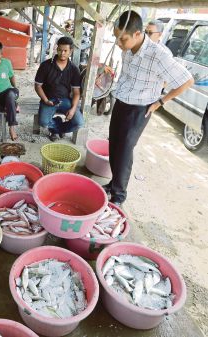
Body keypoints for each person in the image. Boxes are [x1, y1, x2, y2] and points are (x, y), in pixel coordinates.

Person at [104, 11, 193, 206]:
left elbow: (187, 81)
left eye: (123, 39)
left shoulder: (159, 55)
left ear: (137, 34)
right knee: (114, 145)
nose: (119, 43)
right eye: (116, 38)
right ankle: (113, 183)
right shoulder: (126, 48)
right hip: (121, 101)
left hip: (139, 109)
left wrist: (161, 102)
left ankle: (119, 196)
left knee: (125, 150)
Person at [34, 36, 84, 141]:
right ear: (57, 49)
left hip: (65, 100)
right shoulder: (46, 65)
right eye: (60, 50)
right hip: (49, 99)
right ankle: (57, 128)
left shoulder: (74, 69)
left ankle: (57, 129)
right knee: (43, 122)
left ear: (71, 51)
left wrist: (73, 109)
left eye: (65, 51)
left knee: (79, 123)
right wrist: (45, 100)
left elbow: (76, 92)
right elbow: (38, 86)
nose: (62, 53)